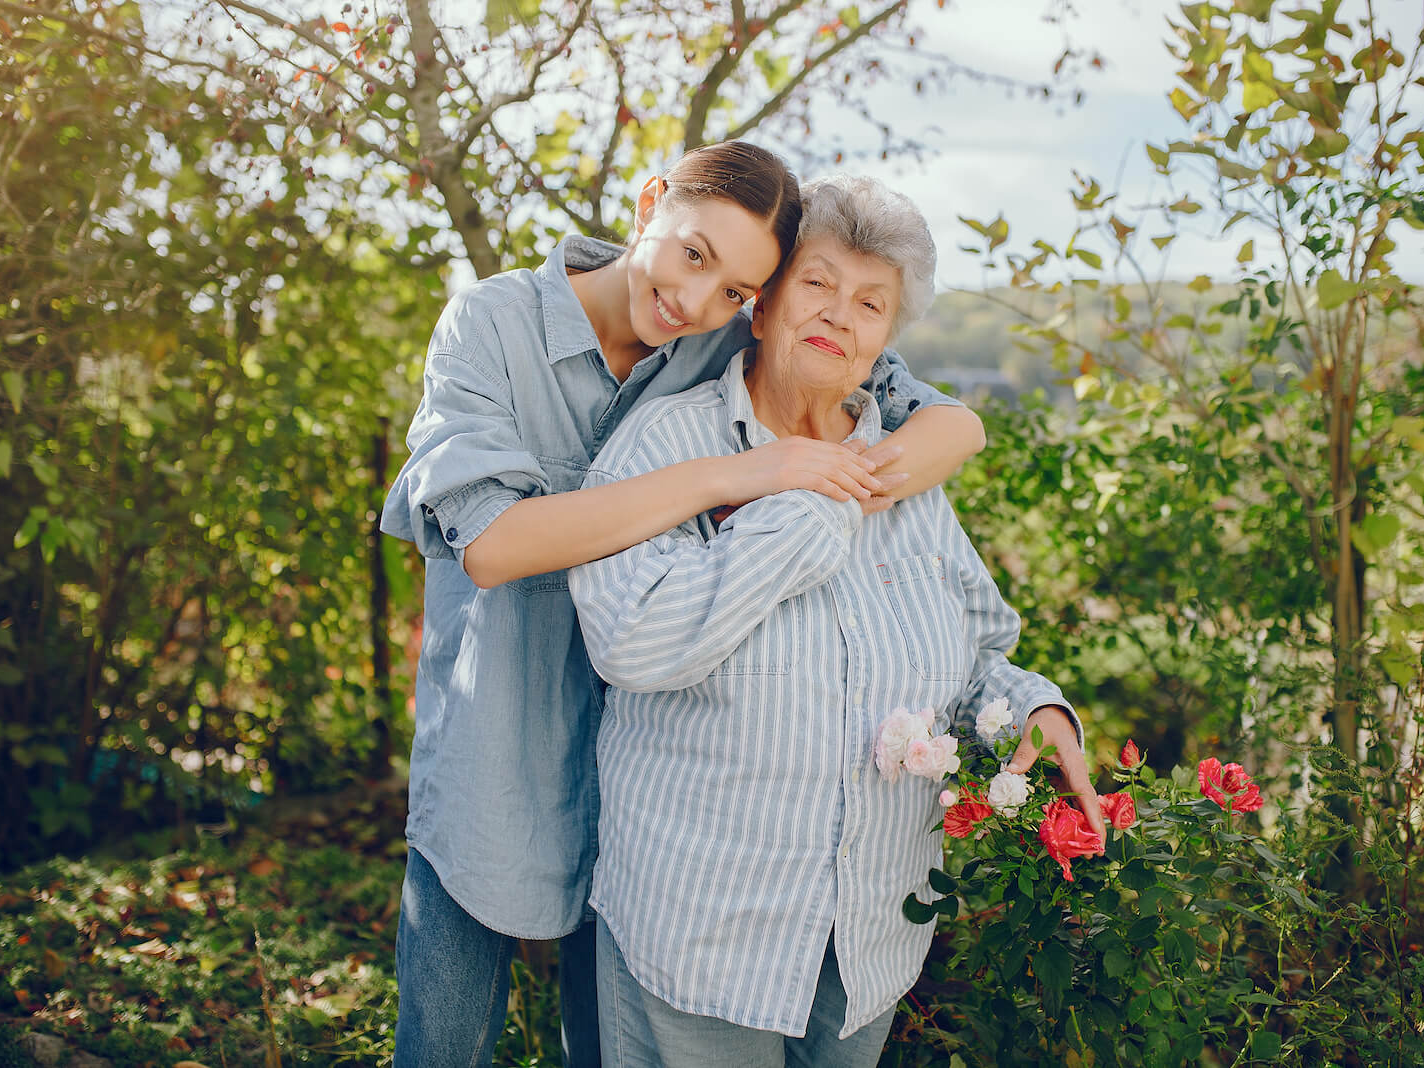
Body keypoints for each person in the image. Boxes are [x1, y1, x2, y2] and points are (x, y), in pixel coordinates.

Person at [379, 142, 987, 1067]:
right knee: (445, 1041)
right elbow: (495, 546)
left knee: (607, 1041)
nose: (697, 300)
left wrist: (862, 478)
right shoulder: (494, 323)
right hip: (506, 735)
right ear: (650, 201)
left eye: (737, 288)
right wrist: (736, 474)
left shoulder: (721, 328)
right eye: (693, 254)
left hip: (654, 771)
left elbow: (944, 418)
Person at [567, 174, 1105, 1067]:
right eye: (817, 283)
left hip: (867, 943)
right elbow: (632, 644)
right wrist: (814, 502)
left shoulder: (905, 467)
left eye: (870, 303)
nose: (838, 315)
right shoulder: (666, 446)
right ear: (764, 302)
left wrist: (1032, 706)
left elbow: (972, 652)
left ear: (887, 339)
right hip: (697, 936)